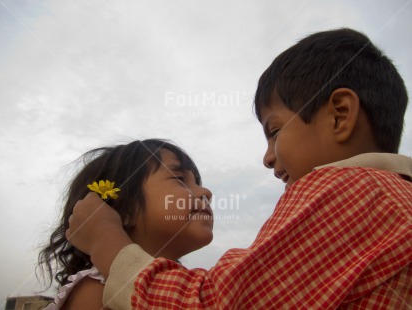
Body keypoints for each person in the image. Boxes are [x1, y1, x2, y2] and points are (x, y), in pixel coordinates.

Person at [66, 28, 412, 309]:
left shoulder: (350, 191)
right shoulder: (92, 293)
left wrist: (108, 243)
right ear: (118, 207)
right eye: (178, 178)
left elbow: (216, 303)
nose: (268, 157)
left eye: (274, 131)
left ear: (340, 115)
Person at [38, 139, 213, 309]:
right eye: (179, 178)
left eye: (197, 182)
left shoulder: (192, 288)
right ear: (124, 209)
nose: (206, 192)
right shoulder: (99, 292)